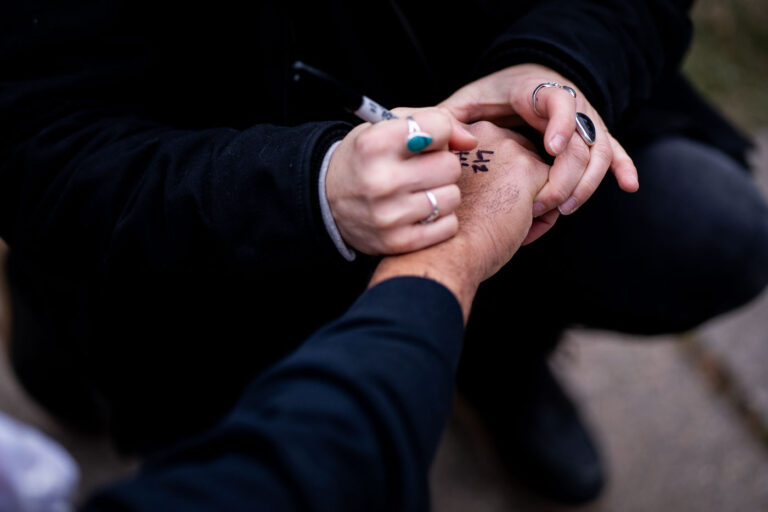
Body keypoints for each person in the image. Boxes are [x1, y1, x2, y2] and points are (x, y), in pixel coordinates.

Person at [2, 0, 767, 506]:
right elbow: (35, 145)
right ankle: (64, 337)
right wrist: (310, 187)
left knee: (708, 234)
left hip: (480, 100)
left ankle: (493, 353)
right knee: (131, 404)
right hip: (194, 232)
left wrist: (558, 59)